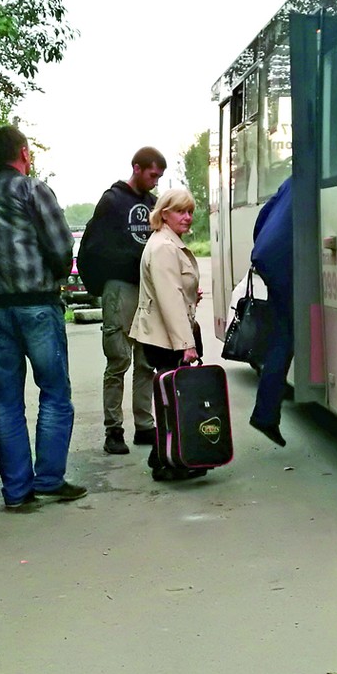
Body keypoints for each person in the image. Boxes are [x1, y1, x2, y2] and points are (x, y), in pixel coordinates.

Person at [0, 125, 86, 512]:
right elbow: (61, 246)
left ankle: (17, 492)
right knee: (54, 392)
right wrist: (57, 277)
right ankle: (48, 479)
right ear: (25, 153)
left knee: (6, 403)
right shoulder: (33, 190)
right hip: (37, 305)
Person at [78, 147, 167, 456]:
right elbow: (94, 247)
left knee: (146, 361)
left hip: (148, 289)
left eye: (159, 177)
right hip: (120, 288)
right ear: (137, 168)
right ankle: (113, 430)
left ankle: (145, 425)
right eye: (152, 175)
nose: (155, 181)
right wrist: (102, 284)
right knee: (118, 359)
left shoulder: (153, 204)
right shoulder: (112, 202)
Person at [129, 187, 206, 481]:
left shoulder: (166, 242)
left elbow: (173, 290)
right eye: (180, 211)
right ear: (164, 214)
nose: (187, 217)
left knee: (170, 400)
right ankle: (166, 462)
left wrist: (190, 294)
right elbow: (169, 299)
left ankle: (164, 457)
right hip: (165, 338)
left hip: (164, 335)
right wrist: (186, 344)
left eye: (190, 211)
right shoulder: (164, 246)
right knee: (172, 400)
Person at [248, 176, 293, 447]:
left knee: (282, 334)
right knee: (286, 336)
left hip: (267, 254)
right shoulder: (314, 174)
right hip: (285, 260)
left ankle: (265, 413)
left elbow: (264, 214)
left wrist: (261, 248)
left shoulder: (291, 180)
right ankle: (265, 415)